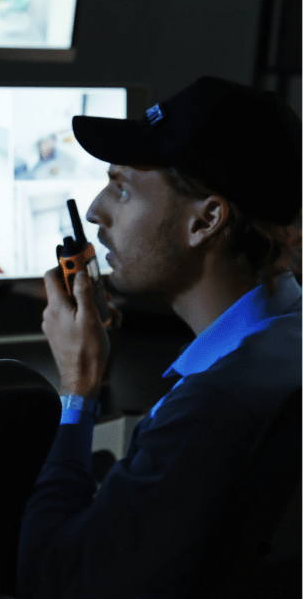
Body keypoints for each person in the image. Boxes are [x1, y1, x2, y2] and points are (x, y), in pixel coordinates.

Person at [18, 76, 302, 598]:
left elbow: (52, 578)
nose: (96, 210)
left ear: (205, 220)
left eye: (122, 189)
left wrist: (78, 388)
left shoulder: (212, 406)